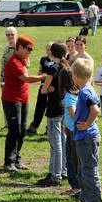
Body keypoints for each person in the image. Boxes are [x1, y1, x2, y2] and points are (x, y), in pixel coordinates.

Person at [1, 35, 45, 172]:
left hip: (23, 100)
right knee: (14, 130)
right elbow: (26, 78)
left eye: (32, 49)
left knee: (22, 131)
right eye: (28, 49)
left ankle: (17, 159)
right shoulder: (14, 61)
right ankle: (9, 162)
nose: (30, 51)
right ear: (19, 47)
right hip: (12, 100)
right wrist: (45, 76)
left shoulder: (23, 60)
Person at [72, 58, 102, 202]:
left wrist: (88, 123)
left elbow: (95, 109)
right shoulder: (88, 89)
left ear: (76, 75)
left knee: (90, 172)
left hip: (87, 137)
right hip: (83, 137)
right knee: (83, 172)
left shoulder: (85, 91)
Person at [37, 42, 71, 186]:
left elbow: (43, 90)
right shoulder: (66, 66)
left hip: (54, 107)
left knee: (55, 143)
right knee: (62, 141)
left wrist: (48, 87)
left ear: (52, 53)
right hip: (64, 106)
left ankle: (54, 175)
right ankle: (63, 171)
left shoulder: (53, 68)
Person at [26, 43, 54, 136]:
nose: (49, 51)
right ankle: (33, 127)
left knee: (50, 109)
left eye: (50, 49)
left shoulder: (57, 60)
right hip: (43, 86)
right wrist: (38, 75)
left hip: (52, 89)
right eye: (47, 49)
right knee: (39, 107)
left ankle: (49, 129)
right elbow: (40, 70)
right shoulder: (43, 59)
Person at [62, 67, 81, 199]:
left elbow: (73, 113)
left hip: (73, 131)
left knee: (71, 159)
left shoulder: (69, 95)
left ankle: (76, 187)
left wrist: (70, 124)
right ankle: (77, 186)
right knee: (75, 159)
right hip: (72, 129)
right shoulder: (77, 92)